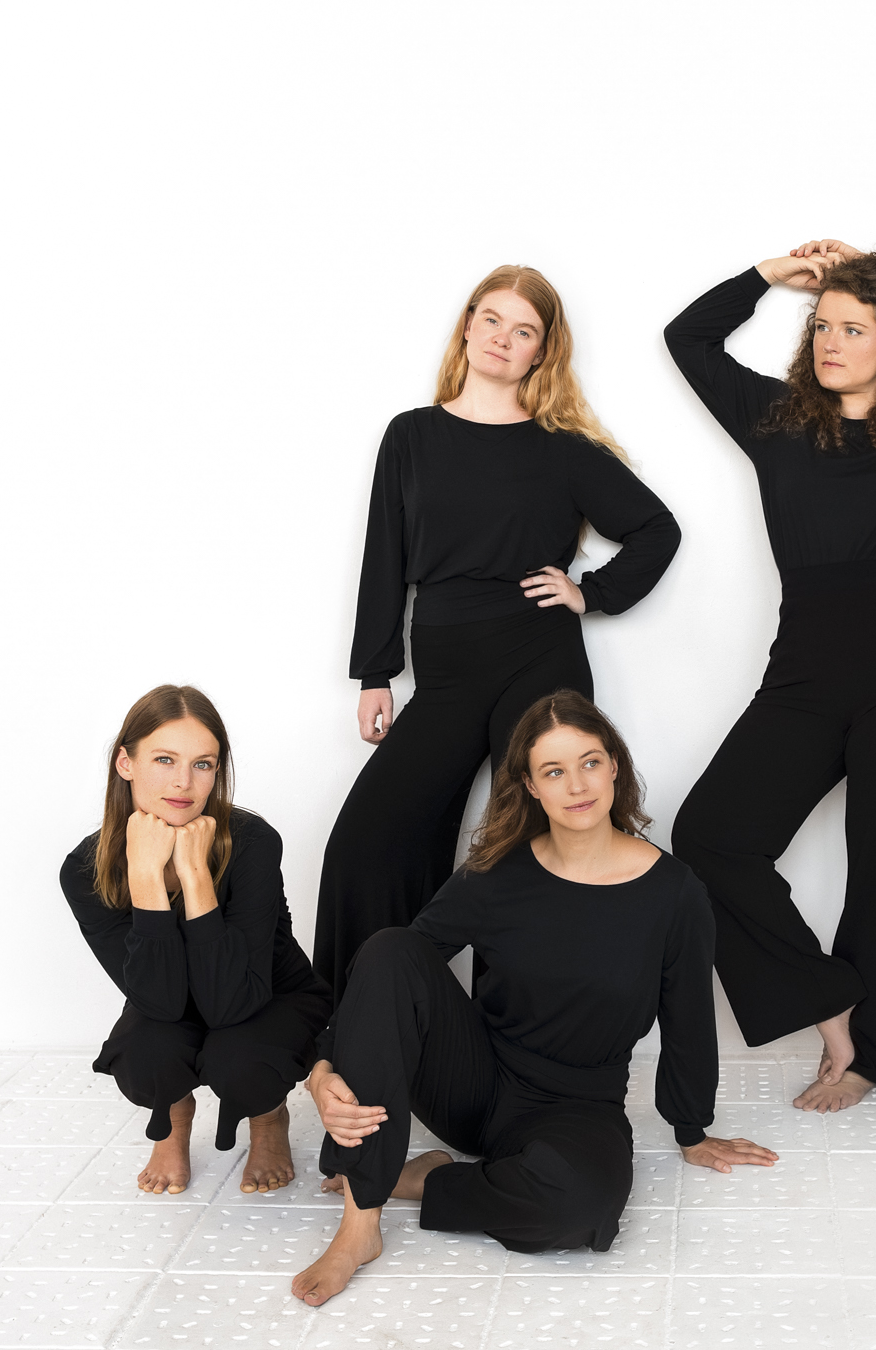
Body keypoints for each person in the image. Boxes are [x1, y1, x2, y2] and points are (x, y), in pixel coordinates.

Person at [291, 691, 777, 1303]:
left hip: (578, 1105)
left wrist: (691, 1129)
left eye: (590, 762)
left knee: (580, 1209)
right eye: (553, 771)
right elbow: (392, 976)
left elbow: (689, 1018)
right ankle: (360, 1225)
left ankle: (431, 1180)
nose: (576, 785)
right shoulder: (496, 873)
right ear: (529, 785)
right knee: (390, 946)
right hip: (473, 1084)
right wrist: (322, 1065)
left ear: (615, 765)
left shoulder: (674, 893)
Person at [665, 238, 876, 1111]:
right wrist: (769, 275)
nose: (831, 341)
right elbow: (688, 338)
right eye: (821, 325)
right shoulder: (776, 419)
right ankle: (832, 1004)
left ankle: (873, 1058)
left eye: (854, 327)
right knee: (711, 838)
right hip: (807, 670)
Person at [312, 263, 682, 1002]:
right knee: (367, 843)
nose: (502, 339)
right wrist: (375, 674)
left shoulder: (562, 447)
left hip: (537, 660)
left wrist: (590, 594)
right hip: (445, 671)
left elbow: (656, 529)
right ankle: (366, 1022)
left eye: (524, 331)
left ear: (542, 351)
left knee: (528, 850)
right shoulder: (411, 435)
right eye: (491, 320)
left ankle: (514, 1037)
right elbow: (384, 557)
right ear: (468, 325)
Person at [61, 684, 329, 1197]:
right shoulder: (84, 870)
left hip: (267, 995)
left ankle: (268, 1114)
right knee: (144, 1056)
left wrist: (195, 875)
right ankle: (174, 1113)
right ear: (126, 763)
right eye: (164, 759)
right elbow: (159, 1003)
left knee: (242, 1062)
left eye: (202, 764)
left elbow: (232, 1003)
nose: (184, 782)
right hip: (171, 1001)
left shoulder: (253, 842)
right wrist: (145, 876)